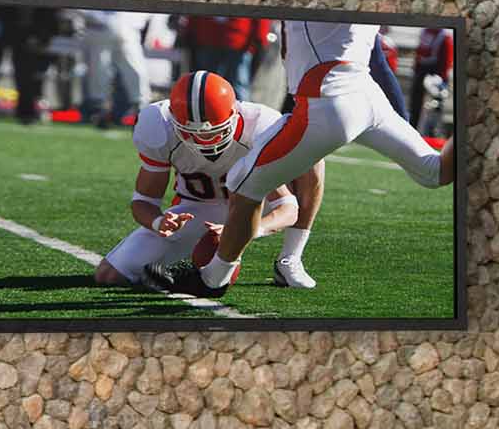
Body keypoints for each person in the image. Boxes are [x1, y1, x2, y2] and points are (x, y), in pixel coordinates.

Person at [189, 18, 450, 296]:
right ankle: (289, 262)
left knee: (244, 181)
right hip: (366, 92)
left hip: (328, 96)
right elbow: (375, 54)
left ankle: (213, 278)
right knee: (435, 171)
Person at [94, 72, 328, 293]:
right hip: (197, 209)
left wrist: (243, 231)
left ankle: (290, 258)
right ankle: (190, 268)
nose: (203, 140)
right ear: (174, 121)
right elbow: (143, 201)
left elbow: (287, 208)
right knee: (109, 275)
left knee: (314, 156)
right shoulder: (158, 124)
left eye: (213, 133)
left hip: (253, 206)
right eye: (190, 133)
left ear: (234, 116)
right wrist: (159, 222)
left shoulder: (260, 125)